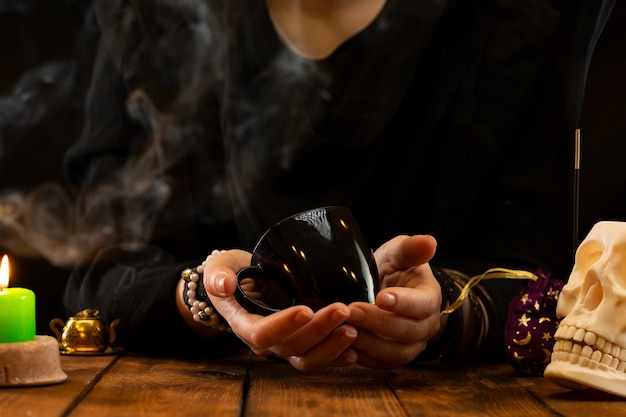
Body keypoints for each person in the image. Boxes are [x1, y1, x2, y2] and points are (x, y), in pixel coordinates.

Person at [61, 0, 615, 371]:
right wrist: (204, 297)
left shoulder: (514, 21)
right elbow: (97, 265)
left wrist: (443, 307)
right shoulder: (148, 19)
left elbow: (542, 274)